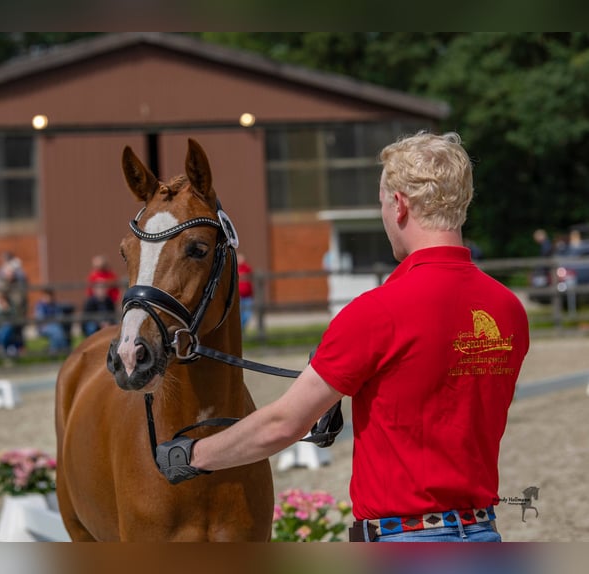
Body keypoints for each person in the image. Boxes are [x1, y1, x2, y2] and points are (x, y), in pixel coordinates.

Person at [155, 132, 530, 543]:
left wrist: (190, 456)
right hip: (482, 533)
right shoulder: (508, 309)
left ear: (399, 204)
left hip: (405, 538)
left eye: (383, 202)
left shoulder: (378, 312)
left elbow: (284, 424)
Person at [34, 289, 70, 353]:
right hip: (44, 327)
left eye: (49, 297)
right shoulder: (40, 306)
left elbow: (60, 316)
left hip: (55, 325)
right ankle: (57, 350)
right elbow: (40, 319)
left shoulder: (54, 305)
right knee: (56, 331)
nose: (48, 299)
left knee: (58, 330)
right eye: (46, 297)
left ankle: (57, 349)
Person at [236, 253, 254, 330]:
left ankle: (241, 328)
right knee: (240, 314)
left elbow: (250, 276)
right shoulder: (235, 269)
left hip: (247, 296)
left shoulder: (247, 268)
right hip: (239, 296)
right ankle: (240, 329)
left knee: (247, 314)